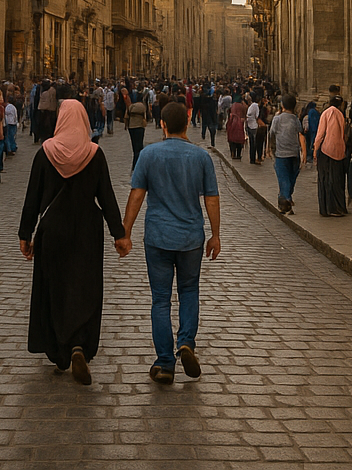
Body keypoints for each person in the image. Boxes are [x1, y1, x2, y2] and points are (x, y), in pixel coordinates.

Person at [19, 99, 130, 385]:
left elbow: (32, 198)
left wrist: (25, 234)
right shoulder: (95, 154)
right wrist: (119, 234)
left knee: (54, 288)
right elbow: (106, 196)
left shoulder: (45, 154)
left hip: (53, 231)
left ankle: (60, 352)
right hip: (86, 231)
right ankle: (79, 343)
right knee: (84, 287)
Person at [121, 102, 220, 385]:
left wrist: (125, 232)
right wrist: (216, 234)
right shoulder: (201, 157)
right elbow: (211, 198)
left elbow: (137, 196)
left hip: (158, 238)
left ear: (162, 124)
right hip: (190, 238)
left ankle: (165, 362)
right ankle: (186, 341)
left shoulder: (149, 154)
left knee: (160, 300)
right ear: (187, 123)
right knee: (189, 291)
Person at [269, 95, 306, 215]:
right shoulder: (295, 119)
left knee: (283, 178)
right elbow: (301, 135)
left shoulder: (277, 119)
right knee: (291, 177)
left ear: (282, 105)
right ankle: (286, 199)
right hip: (294, 153)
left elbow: (271, 134)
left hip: (281, 154)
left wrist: (268, 149)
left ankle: (285, 200)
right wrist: (304, 152)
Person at [314, 98, 350, 217]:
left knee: (326, 180)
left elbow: (320, 134)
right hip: (339, 151)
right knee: (337, 180)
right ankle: (338, 207)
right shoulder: (340, 115)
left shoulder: (326, 113)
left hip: (326, 151)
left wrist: (315, 149)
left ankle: (327, 208)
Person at [126, 94, 148, 170]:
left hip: (131, 127)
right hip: (139, 126)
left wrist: (126, 126)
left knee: (134, 146)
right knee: (139, 145)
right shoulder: (142, 106)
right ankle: (137, 163)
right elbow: (146, 116)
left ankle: (135, 163)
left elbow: (126, 116)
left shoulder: (131, 106)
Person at [246, 94, 267, 164]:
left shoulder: (251, 106)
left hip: (249, 125)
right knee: (255, 143)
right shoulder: (256, 106)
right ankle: (255, 158)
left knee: (252, 143)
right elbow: (257, 116)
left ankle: (252, 159)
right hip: (254, 126)